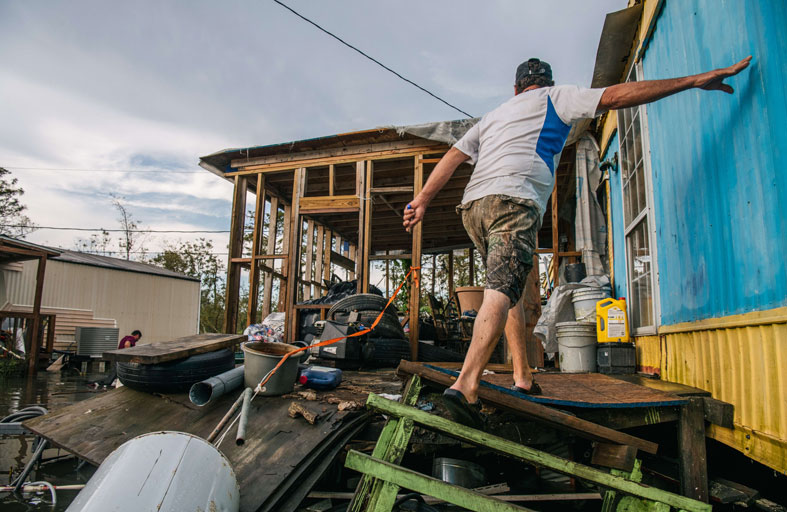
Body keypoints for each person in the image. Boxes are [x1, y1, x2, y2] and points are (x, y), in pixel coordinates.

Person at [403, 56, 751, 428]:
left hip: (473, 206)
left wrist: (422, 200)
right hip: (513, 200)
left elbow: (454, 157)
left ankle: (522, 373)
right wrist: (694, 79)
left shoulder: (494, 115)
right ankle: (466, 384)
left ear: (516, 88)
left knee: (507, 290)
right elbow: (616, 97)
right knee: (502, 289)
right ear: (547, 82)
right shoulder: (556, 97)